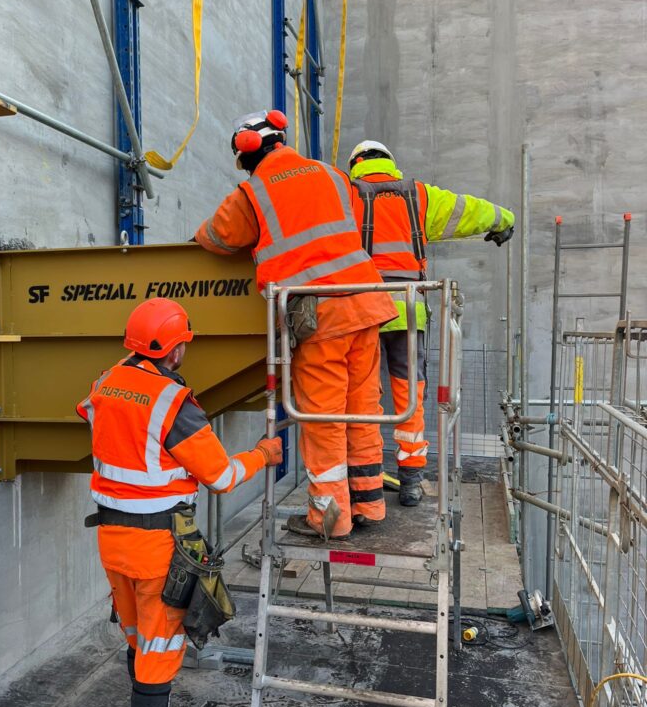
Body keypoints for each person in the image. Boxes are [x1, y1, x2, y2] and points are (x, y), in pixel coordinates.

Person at [76, 298, 282, 707]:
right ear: (176, 347)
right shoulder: (173, 402)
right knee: (160, 649)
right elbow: (221, 477)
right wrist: (263, 454)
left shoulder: (106, 382)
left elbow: (96, 420)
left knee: (136, 636)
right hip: (157, 546)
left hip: (113, 540)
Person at [195, 110, 397, 541]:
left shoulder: (255, 190)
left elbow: (217, 236)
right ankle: (369, 504)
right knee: (362, 410)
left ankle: (331, 519)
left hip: (322, 316)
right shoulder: (332, 174)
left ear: (247, 152)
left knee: (323, 420)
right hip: (366, 303)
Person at [348, 140, 515, 506]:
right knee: (409, 396)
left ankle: (365, 484)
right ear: (390, 164)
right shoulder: (419, 196)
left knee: (363, 398)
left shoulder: (344, 195)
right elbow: (470, 210)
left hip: (360, 309)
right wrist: (504, 220)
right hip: (408, 311)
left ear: (355, 165)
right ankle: (410, 482)